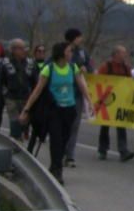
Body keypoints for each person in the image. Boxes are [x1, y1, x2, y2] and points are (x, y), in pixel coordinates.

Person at [19, 41, 92, 184]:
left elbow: (81, 84)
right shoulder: (49, 69)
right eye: (69, 51)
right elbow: (37, 91)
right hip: (54, 109)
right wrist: (26, 109)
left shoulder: (73, 67)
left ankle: (55, 166)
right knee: (56, 140)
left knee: (65, 139)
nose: (71, 54)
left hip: (69, 109)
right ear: (62, 53)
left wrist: (89, 101)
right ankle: (57, 169)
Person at [96, 45, 134, 162]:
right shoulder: (106, 67)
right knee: (105, 126)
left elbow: (130, 83)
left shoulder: (126, 68)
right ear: (116, 54)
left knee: (121, 126)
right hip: (107, 101)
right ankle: (102, 150)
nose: (125, 55)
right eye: (123, 53)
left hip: (121, 101)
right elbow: (98, 82)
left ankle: (123, 151)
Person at [0, 38, 38, 141]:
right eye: (21, 48)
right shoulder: (5, 64)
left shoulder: (30, 63)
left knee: (24, 123)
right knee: (14, 122)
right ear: (13, 50)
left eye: (24, 48)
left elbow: (36, 83)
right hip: (11, 98)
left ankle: (22, 136)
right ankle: (15, 142)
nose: (24, 51)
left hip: (26, 98)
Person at [63, 28, 93, 168]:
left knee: (75, 125)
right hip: (63, 93)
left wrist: (87, 69)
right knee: (64, 125)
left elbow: (90, 67)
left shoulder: (82, 52)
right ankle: (61, 151)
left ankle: (70, 156)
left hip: (78, 93)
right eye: (79, 37)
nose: (81, 39)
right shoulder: (62, 50)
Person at [27, 43, 49, 154]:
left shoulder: (48, 66)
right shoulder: (31, 65)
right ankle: (29, 149)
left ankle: (40, 138)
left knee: (40, 126)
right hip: (33, 98)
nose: (41, 53)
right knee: (34, 124)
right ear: (35, 53)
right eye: (39, 51)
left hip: (44, 100)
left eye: (43, 51)